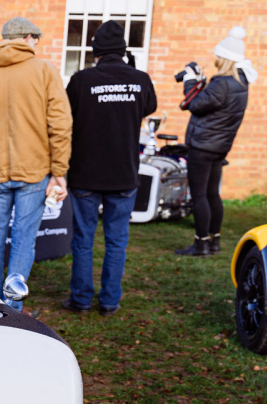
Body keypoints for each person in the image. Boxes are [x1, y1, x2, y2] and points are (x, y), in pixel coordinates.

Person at [0, 17, 71, 311]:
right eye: (36, 37)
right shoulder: (44, 71)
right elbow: (60, 125)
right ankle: (13, 308)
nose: (37, 42)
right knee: (23, 240)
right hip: (33, 172)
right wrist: (59, 172)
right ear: (27, 38)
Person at [63, 21, 157, 316]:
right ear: (123, 50)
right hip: (123, 174)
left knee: (83, 240)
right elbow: (148, 108)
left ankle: (80, 300)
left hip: (86, 173)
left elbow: (67, 114)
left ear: (96, 50)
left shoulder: (81, 80)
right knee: (117, 241)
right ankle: (109, 301)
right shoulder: (140, 80)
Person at [174, 27, 255, 257]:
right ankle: (215, 241)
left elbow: (196, 105)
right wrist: (201, 82)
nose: (215, 60)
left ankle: (200, 245)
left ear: (225, 59)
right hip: (219, 147)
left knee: (199, 195)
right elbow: (211, 105)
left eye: (218, 57)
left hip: (203, 146)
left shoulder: (221, 84)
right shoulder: (240, 83)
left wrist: (190, 81)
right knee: (212, 194)